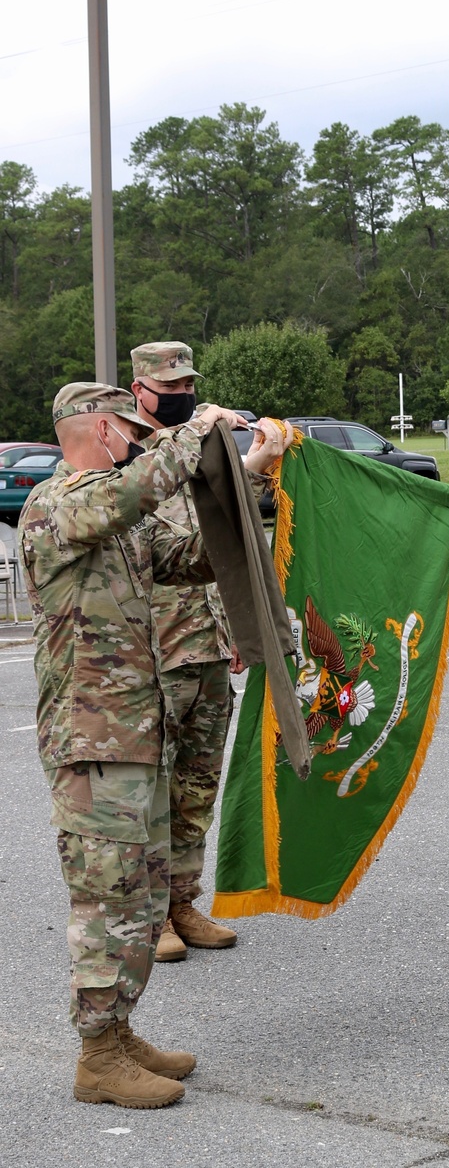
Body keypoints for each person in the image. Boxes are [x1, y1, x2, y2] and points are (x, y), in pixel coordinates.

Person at [18, 383, 289, 1108]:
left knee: (138, 894)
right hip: (91, 740)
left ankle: (119, 1031)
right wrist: (195, 432)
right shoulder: (58, 506)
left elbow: (196, 559)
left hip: (137, 732)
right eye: (131, 430)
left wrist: (253, 470)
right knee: (106, 899)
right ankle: (97, 1056)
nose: (139, 440)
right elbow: (138, 489)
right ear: (101, 429)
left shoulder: (123, 518)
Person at [130, 341, 240, 962]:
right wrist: (195, 430)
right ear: (140, 390)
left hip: (209, 641)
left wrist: (238, 633)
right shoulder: (130, 455)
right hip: (154, 647)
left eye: (187, 388)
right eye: (168, 390)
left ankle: (182, 901)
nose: (180, 398)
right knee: (153, 785)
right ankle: (151, 917)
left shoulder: (200, 447)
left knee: (198, 783)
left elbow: (220, 542)